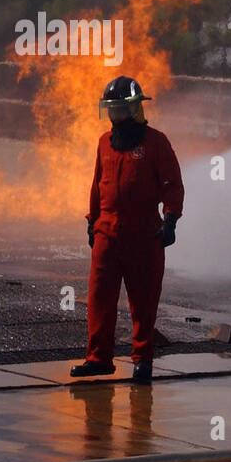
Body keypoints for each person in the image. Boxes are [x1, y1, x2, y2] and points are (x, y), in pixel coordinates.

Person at [74, 77, 184, 384]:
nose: (113, 116)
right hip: (107, 232)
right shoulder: (103, 143)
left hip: (144, 234)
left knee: (143, 300)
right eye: (110, 109)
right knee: (99, 298)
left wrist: (171, 219)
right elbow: (98, 185)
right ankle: (98, 359)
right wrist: (91, 221)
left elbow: (172, 183)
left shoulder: (156, 142)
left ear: (134, 109)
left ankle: (142, 360)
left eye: (119, 109)